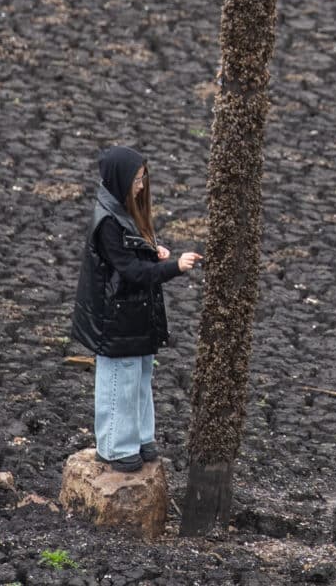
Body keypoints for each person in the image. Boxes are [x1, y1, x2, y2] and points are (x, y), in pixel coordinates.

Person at [71, 146, 201, 472]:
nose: (142, 187)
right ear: (122, 180)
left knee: (140, 376)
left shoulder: (120, 212)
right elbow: (130, 272)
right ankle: (115, 446)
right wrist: (174, 267)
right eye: (138, 180)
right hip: (117, 319)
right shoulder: (109, 223)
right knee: (120, 380)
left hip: (132, 316)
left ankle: (141, 438)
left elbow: (132, 257)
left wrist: (151, 249)